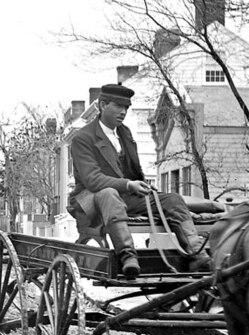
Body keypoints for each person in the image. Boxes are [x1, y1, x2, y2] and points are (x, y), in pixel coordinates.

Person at [68, 83, 211, 279]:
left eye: (126, 107)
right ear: (102, 105)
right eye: (118, 106)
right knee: (109, 194)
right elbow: (92, 180)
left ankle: (196, 255)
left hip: (124, 197)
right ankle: (128, 256)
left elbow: (133, 171)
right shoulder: (83, 138)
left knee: (172, 200)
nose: (123, 112)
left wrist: (141, 186)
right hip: (92, 200)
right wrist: (127, 185)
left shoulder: (124, 133)